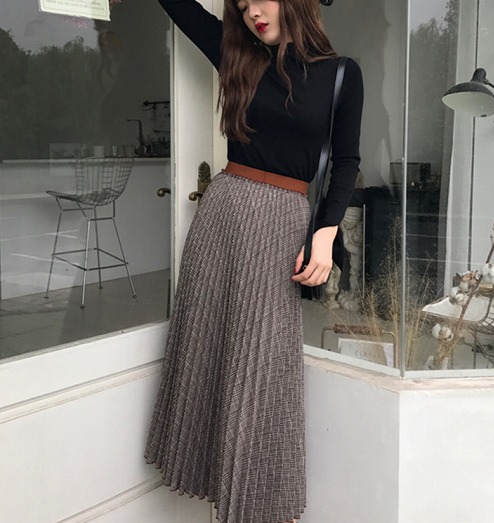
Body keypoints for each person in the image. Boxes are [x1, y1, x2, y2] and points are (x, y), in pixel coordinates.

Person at [144, 0, 363, 521]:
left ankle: (262, 502)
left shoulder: (340, 74)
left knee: (264, 363)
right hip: (222, 215)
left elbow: (347, 160)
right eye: (241, 6)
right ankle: (210, 478)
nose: (251, 13)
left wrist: (326, 231)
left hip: (283, 221)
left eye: (259, 0)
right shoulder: (236, 54)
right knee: (205, 347)